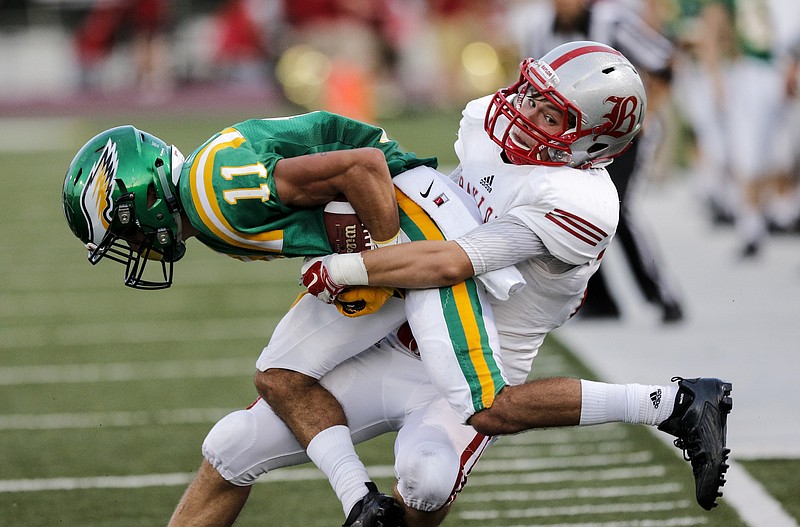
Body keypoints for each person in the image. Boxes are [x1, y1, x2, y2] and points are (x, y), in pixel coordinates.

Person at [187, 42, 729, 527]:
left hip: (484, 353)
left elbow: (455, 261)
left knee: (428, 480)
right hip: (396, 336)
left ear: (593, 142)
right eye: (532, 95)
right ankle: (359, 503)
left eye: (552, 114)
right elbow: (441, 205)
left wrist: (349, 268)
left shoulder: (582, 202)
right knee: (231, 447)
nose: (525, 115)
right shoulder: (484, 125)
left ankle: (668, 403)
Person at [62, 111, 434, 291]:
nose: (137, 247)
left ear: (144, 200)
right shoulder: (202, 210)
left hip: (399, 202)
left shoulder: (214, 194)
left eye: (127, 234)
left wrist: (385, 266)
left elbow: (361, 167)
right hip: (377, 214)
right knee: (279, 379)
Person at [507, 0, 684, 322]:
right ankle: (600, 299)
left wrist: (646, 115)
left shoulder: (612, 22)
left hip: (621, 135)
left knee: (621, 209)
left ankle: (662, 294)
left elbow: (664, 62)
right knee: (573, 209)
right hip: (571, 135)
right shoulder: (540, 28)